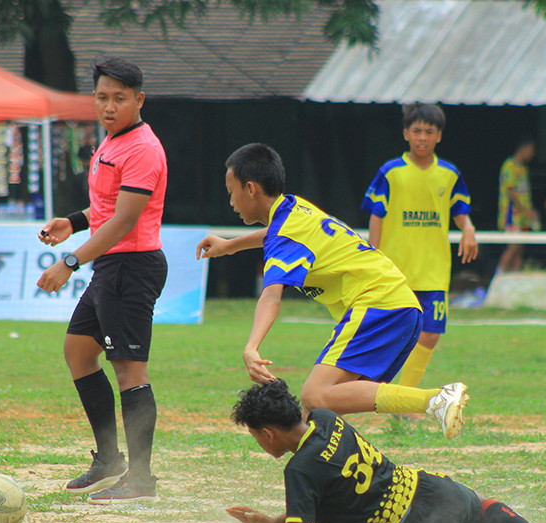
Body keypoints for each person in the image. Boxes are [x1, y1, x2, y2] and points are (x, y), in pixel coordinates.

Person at [197, 143, 469, 438]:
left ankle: (435, 400)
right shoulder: (294, 208)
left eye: (231, 191)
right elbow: (274, 234)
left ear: (250, 189)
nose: (231, 201)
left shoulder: (286, 232)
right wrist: (230, 246)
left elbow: (271, 295)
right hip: (399, 306)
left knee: (315, 395)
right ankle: (342, 467)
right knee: (317, 413)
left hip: (378, 304)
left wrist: (251, 347)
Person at [187, 380, 546, 523]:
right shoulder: (325, 418)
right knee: (484, 508)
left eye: (255, 437)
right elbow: (332, 483)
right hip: (426, 487)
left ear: (267, 433)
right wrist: (273, 521)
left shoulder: (299, 469)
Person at [37, 57, 168, 504]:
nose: (109, 107)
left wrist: (69, 262)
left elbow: (125, 220)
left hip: (132, 267)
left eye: (119, 99)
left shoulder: (142, 148)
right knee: (78, 350)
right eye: (102, 97)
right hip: (112, 267)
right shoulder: (113, 141)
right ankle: (109, 460)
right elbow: (109, 206)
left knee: (130, 370)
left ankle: (141, 479)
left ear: (139, 100)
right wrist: (73, 221)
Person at [359, 103, 478, 390]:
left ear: (439, 136)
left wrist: (468, 228)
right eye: (416, 131)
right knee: (390, 333)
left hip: (433, 270)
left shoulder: (449, 174)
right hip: (395, 270)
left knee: (431, 334)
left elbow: (459, 210)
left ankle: (404, 395)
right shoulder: (391, 172)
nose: (422, 137)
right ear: (406, 134)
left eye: (429, 131)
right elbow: (377, 214)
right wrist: (373, 255)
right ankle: (370, 391)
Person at [496, 137, 540, 274]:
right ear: (523, 148)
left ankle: (515, 276)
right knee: (513, 247)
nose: (533, 153)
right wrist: (525, 211)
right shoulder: (509, 166)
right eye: (531, 150)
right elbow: (511, 193)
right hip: (512, 216)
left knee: (520, 248)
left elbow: (524, 194)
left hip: (524, 218)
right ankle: (499, 275)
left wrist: (530, 211)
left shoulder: (523, 168)